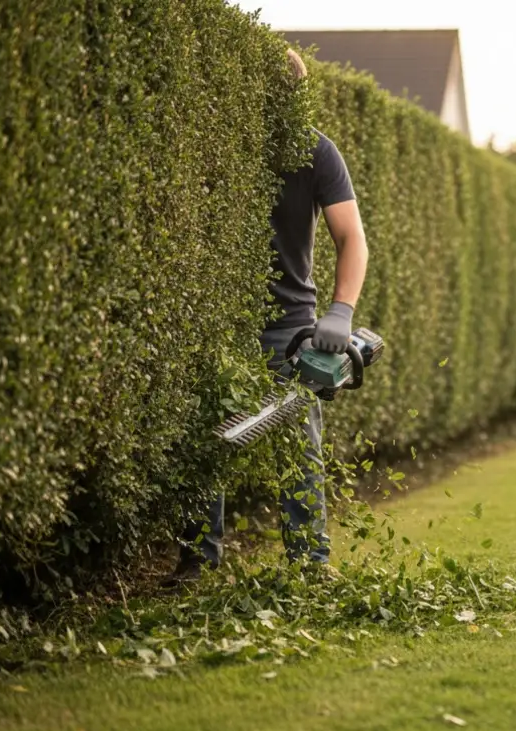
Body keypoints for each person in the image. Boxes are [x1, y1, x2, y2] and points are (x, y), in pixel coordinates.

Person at [163, 49, 369, 586]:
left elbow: (351, 238)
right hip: (216, 322)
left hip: (290, 326)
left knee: (298, 447)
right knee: (205, 440)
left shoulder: (317, 151)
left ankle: (310, 565)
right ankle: (196, 559)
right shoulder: (217, 141)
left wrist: (341, 311)